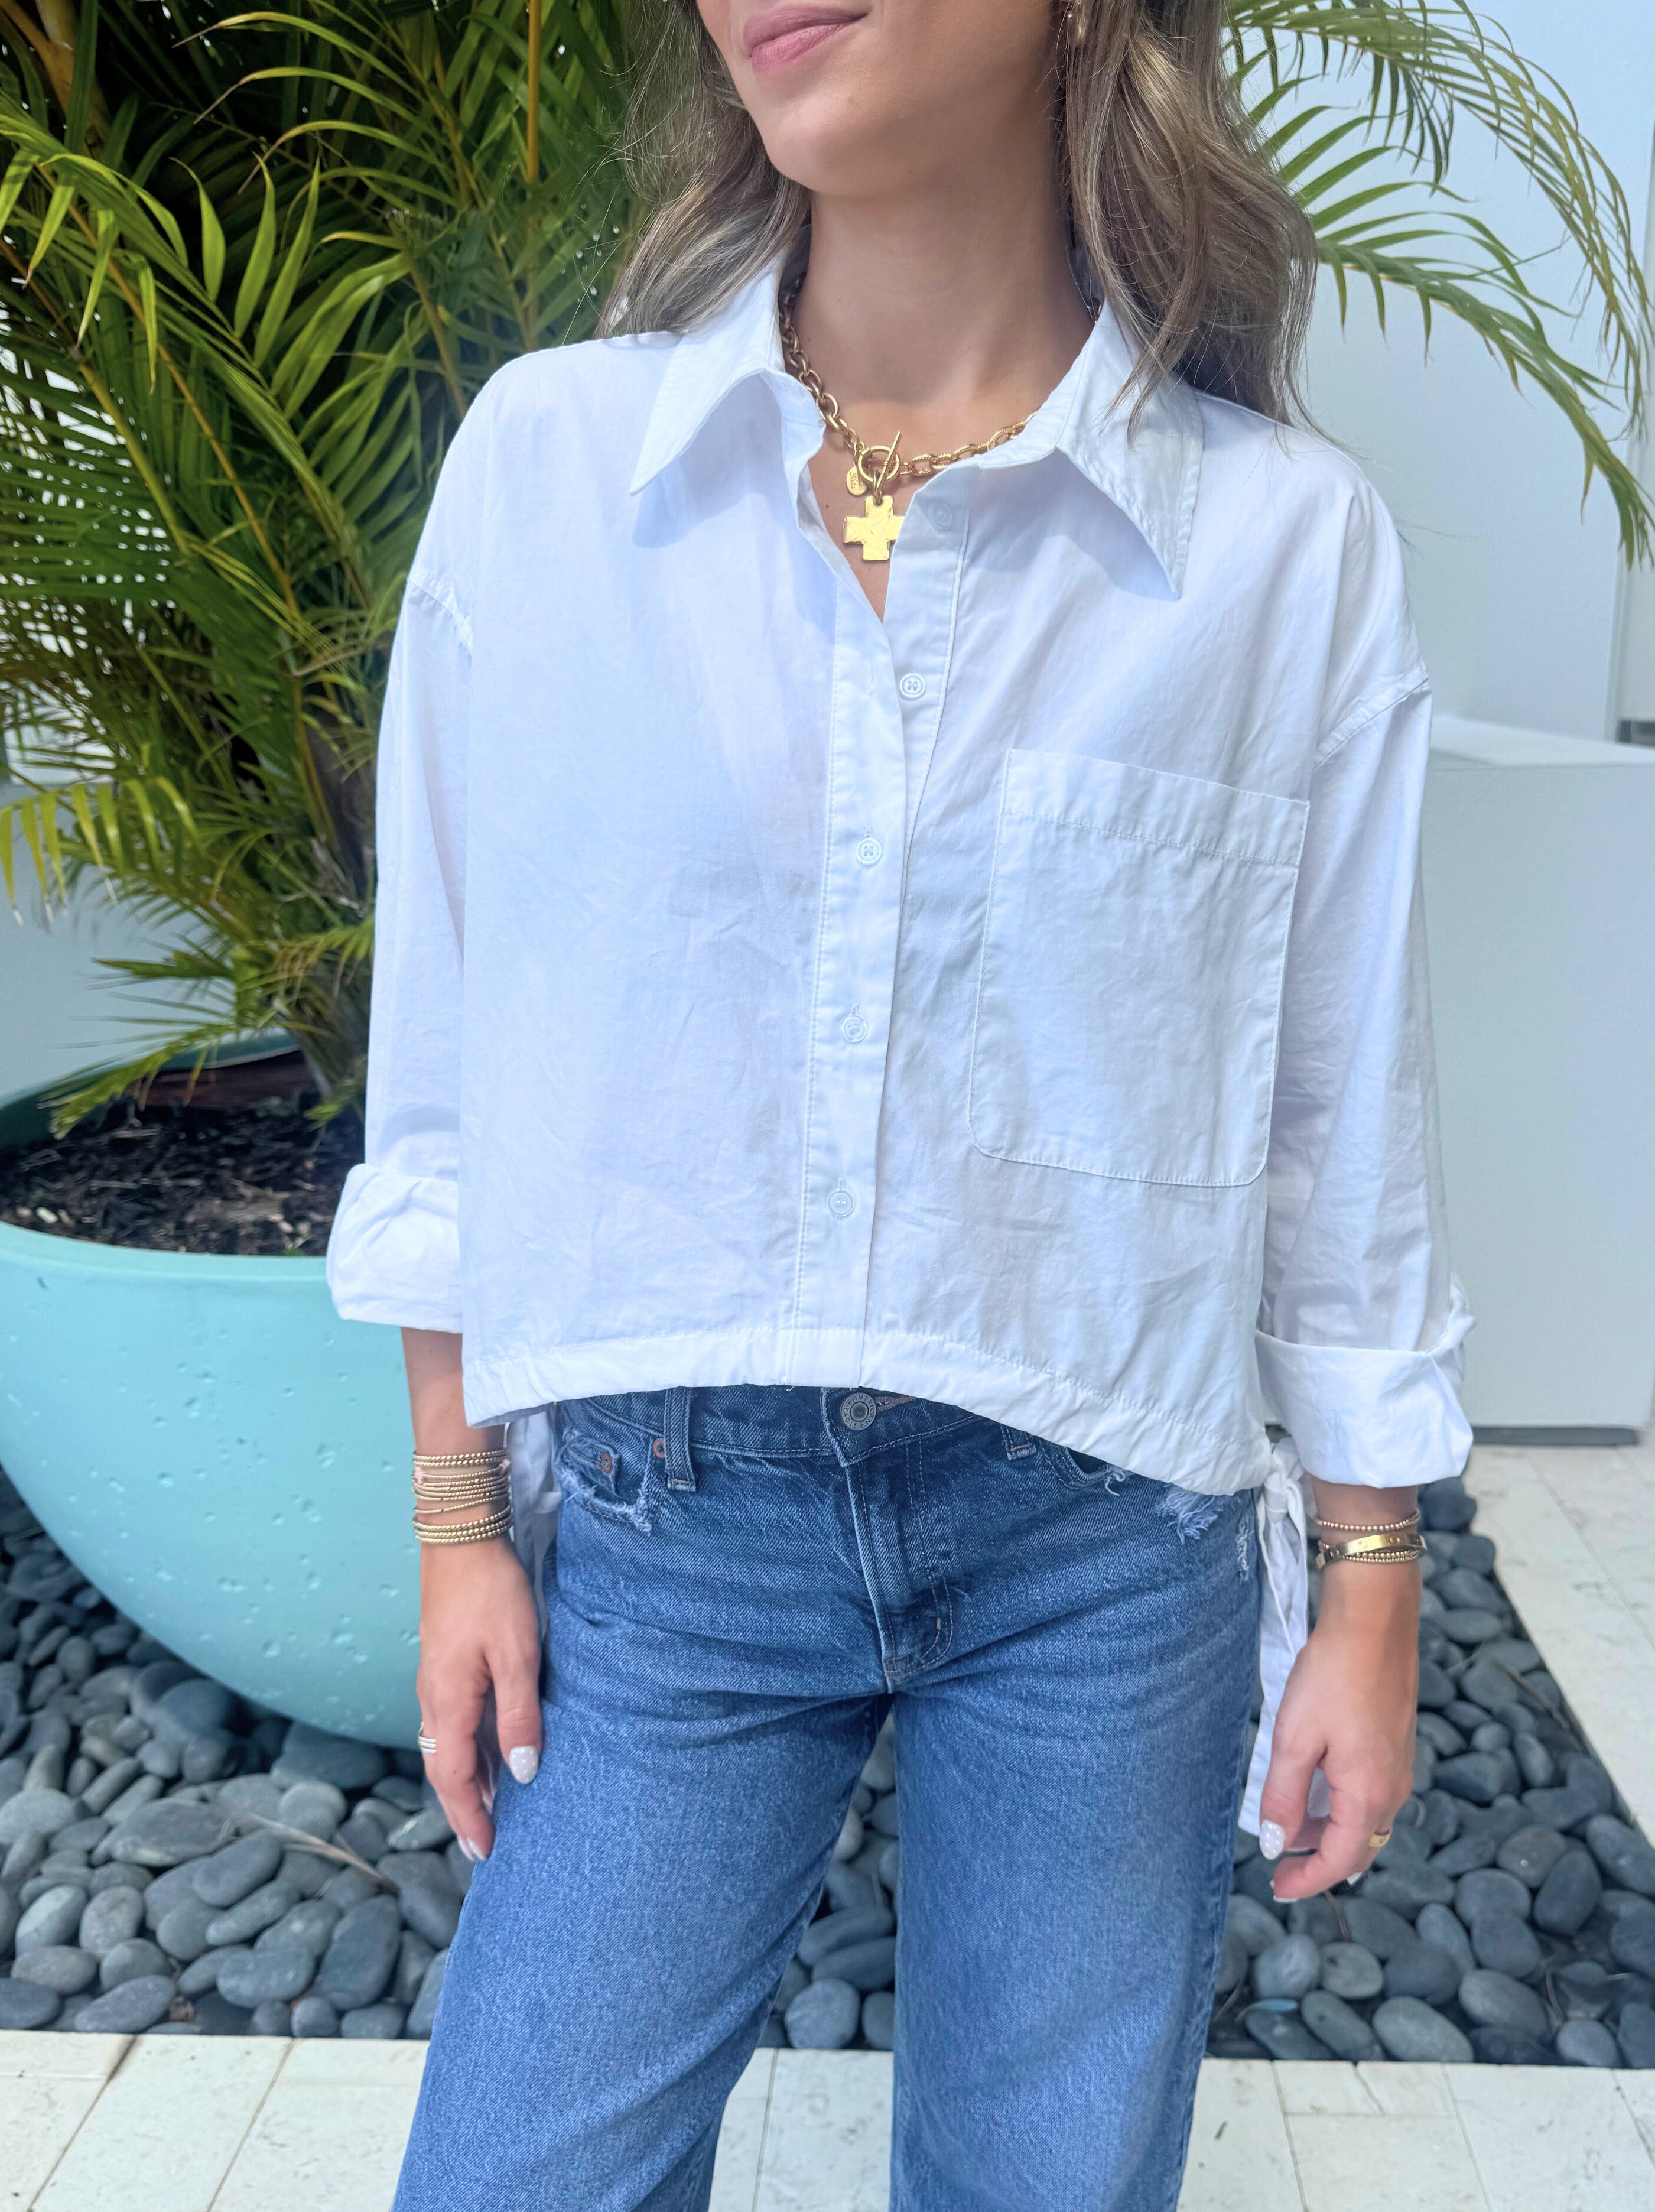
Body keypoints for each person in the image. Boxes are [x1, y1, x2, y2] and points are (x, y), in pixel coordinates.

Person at [326, 0, 1472, 2203]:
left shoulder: (1278, 546)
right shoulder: (557, 471)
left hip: (1102, 1542)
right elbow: (455, 1044)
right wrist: (458, 1514)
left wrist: (1367, 1578)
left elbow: (1333, 1115)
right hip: (672, 1525)